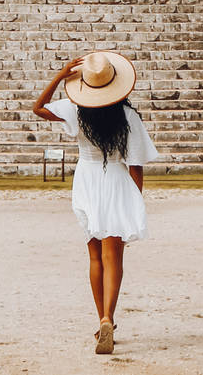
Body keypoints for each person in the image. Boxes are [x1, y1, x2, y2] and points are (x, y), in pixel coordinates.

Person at [30, 50, 160, 356]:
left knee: (94, 257)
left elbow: (38, 108)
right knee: (114, 257)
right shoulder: (128, 116)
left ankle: (100, 317)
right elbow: (137, 165)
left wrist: (61, 76)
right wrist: (133, 200)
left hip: (87, 181)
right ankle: (108, 319)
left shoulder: (76, 111)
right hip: (116, 180)